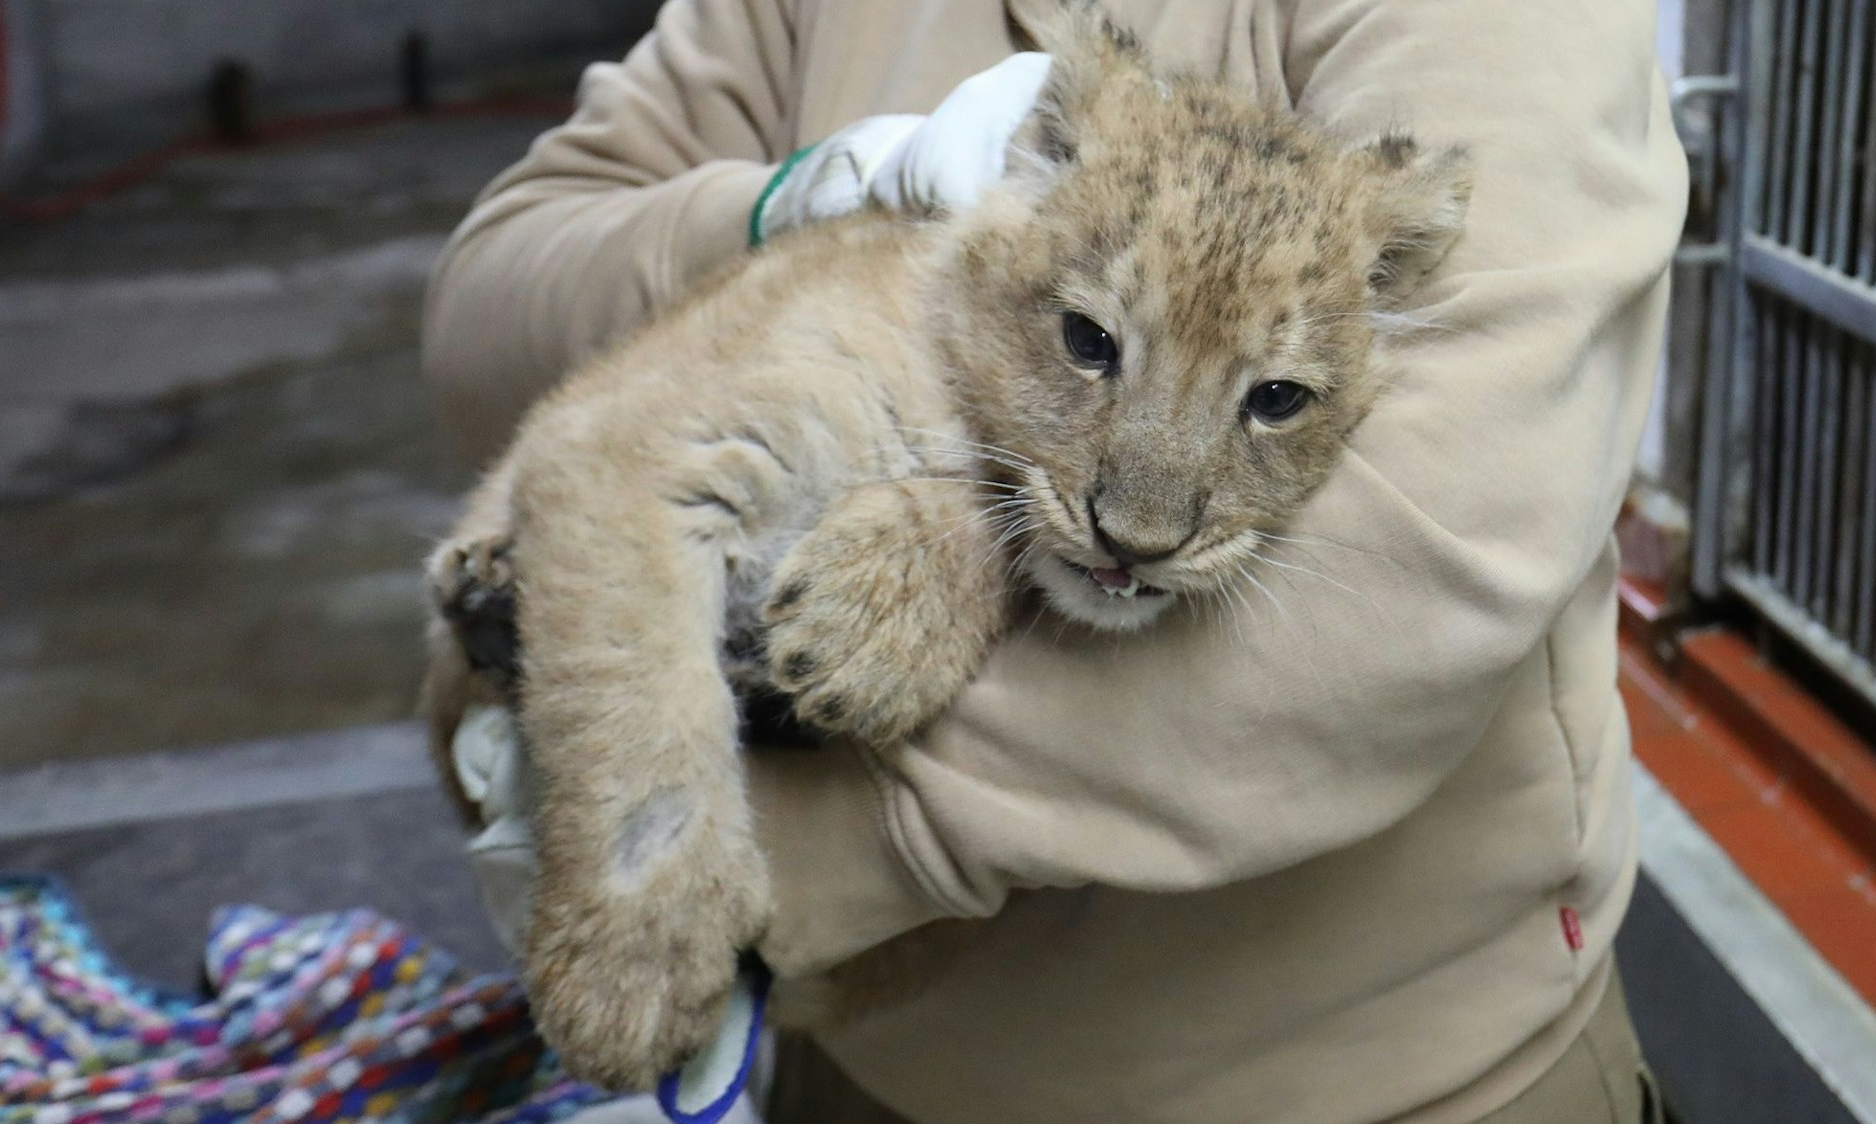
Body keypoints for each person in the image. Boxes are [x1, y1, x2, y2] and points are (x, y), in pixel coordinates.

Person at [420, 1, 1686, 1121]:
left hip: (1367, 1083)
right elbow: (487, 304)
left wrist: (764, 861)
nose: (1144, 522)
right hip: (852, 1060)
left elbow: (1435, 568)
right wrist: (802, 200)